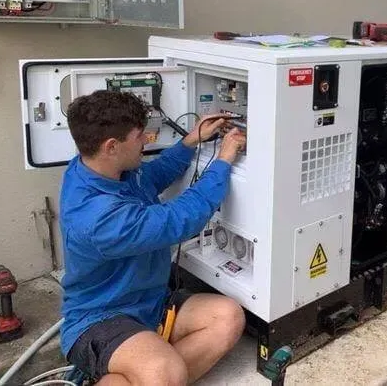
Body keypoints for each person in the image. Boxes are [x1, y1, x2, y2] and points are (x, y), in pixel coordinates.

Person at [59, 89, 247, 385]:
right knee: (163, 370)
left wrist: (190, 140)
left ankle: (141, 373)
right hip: (101, 317)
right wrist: (222, 160)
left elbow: (153, 175)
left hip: (151, 303)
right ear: (111, 146)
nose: (147, 141)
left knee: (227, 317)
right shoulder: (98, 218)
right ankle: (151, 371)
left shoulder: (100, 169)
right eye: (139, 137)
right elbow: (182, 218)